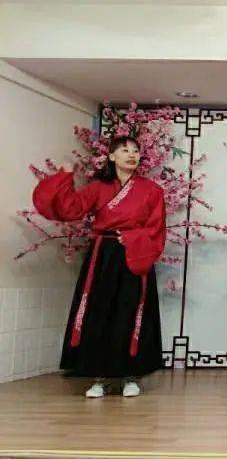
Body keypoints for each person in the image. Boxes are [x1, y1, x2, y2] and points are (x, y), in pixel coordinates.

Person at [32, 136, 165, 398]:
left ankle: (130, 376)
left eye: (135, 150)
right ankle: (99, 377)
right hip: (103, 255)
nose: (132, 155)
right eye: (124, 150)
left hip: (134, 253)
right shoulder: (98, 188)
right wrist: (65, 177)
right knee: (99, 311)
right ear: (112, 157)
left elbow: (156, 228)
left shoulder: (152, 190)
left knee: (130, 311)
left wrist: (132, 238)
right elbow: (70, 209)